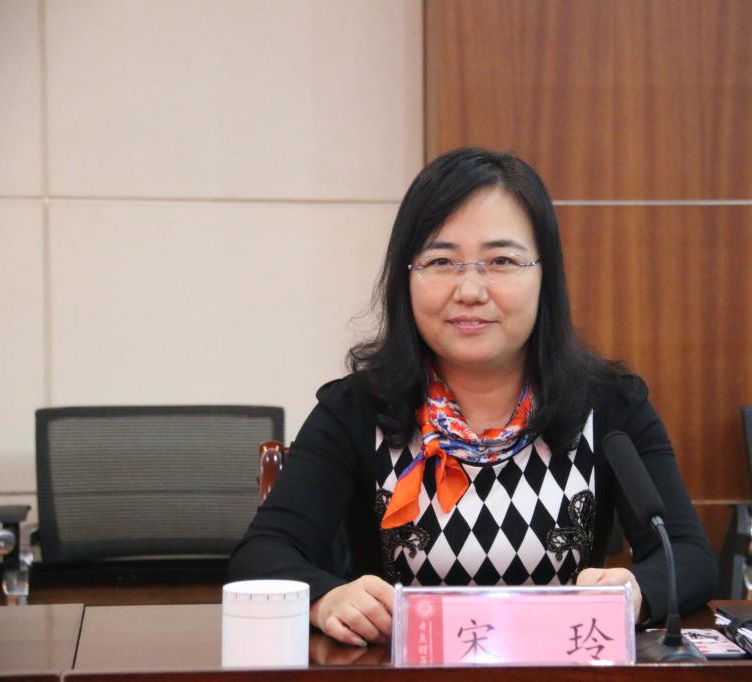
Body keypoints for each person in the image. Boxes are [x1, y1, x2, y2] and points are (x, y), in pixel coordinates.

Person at [229, 147, 718, 647]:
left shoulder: (611, 405)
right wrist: (326, 598)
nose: (469, 290)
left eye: (501, 261)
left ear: (545, 276)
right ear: (406, 276)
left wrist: (636, 590)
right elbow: (261, 555)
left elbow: (689, 555)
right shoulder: (355, 410)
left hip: (561, 671)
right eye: (441, 261)